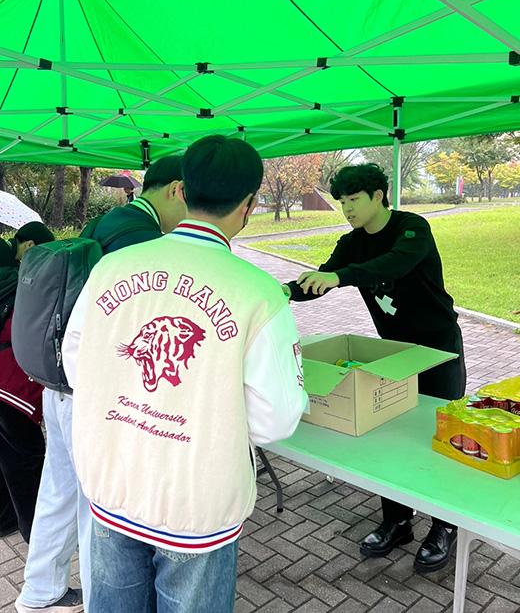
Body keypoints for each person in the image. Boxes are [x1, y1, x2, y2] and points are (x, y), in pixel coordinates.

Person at [62, 135, 307, 613]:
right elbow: (277, 417)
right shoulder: (260, 294)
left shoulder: (113, 266)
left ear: (183, 190)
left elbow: (77, 361)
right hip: (196, 502)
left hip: (114, 482)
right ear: (249, 204)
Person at [15, 156, 186, 613]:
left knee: (58, 491)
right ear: (177, 190)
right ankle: (98, 602)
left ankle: (40, 592)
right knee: (99, 507)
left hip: (57, 383)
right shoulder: (141, 238)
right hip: (90, 390)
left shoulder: (109, 221)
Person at [283, 163, 466, 573]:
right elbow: (323, 280)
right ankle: (397, 521)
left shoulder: (411, 229)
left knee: (438, 431)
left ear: (378, 196)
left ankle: (445, 526)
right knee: (389, 430)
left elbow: (393, 265)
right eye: (341, 202)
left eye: (354, 200)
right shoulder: (351, 243)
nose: (347, 209)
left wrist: (340, 276)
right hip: (394, 350)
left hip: (437, 346)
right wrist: (283, 291)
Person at [0, 222, 54, 543]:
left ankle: (7, 518)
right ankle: (35, 533)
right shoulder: (19, 281)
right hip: (12, 386)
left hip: (4, 384)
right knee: (27, 457)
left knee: (8, 454)